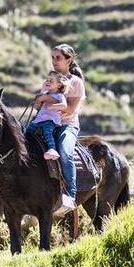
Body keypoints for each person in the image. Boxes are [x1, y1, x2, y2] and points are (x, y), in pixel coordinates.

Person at [49, 44, 86, 215]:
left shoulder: (75, 82)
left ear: (69, 60)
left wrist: (47, 102)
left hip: (67, 125)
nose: (54, 61)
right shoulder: (50, 80)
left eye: (58, 58)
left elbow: (70, 110)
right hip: (48, 123)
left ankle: (70, 197)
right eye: (53, 57)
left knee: (64, 152)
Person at [25, 72, 70, 161]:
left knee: (47, 132)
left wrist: (53, 106)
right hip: (39, 119)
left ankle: (52, 149)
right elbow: (36, 106)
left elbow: (64, 106)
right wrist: (42, 90)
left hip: (50, 120)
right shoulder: (46, 93)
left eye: (51, 80)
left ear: (59, 85)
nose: (47, 82)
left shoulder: (60, 96)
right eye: (47, 80)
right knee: (28, 130)